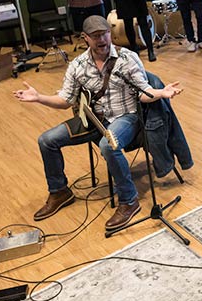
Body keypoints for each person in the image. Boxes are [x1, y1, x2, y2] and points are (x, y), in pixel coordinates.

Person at [14, 15, 182, 232]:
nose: (101, 39)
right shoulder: (78, 65)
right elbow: (65, 101)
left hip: (126, 118)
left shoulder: (127, 58)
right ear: (85, 38)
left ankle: (129, 201)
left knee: (108, 144)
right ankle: (60, 192)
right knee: (46, 140)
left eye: (104, 33)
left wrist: (161, 92)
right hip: (92, 120)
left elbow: (143, 93)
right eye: (95, 36)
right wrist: (39, 98)